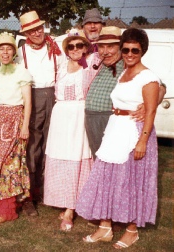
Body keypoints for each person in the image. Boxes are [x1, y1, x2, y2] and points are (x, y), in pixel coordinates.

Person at [76, 28, 160, 249]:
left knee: (133, 180)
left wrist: (142, 140)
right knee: (107, 177)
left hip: (135, 132)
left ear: (143, 51)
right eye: (126, 49)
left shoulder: (148, 76)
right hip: (116, 129)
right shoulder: (123, 72)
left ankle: (132, 231)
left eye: (135, 50)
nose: (130, 54)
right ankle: (105, 227)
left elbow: (151, 111)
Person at [43, 28, 100, 231]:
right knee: (61, 158)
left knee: (77, 158)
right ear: (67, 49)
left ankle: (71, 207)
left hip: (79, 116)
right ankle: (63, 199)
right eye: (72, 46)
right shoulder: (60, 65)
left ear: (86, 47)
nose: (76, 49)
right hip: (61, 117)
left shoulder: (92, 64)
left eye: (80, 45)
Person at [16, 10, 65, 215]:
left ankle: (48, 189)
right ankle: (28, 195)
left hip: (53, 95)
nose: (36, 33)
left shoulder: (55, 47)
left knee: (51, 144)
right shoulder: (21, 52)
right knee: (32, 145)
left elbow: (62, 73)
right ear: (26, 33)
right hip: (31, 97)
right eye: (31, 30)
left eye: (38, 28)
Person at [0, 32, 33, 223]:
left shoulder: (22, 72)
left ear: (14, 52)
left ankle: (6, 209)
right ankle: (10, 199)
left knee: (11, 164)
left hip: (15, 118)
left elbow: (28, 103)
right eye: (1, 49)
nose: (5, 53)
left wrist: (25, 126)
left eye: (8, 49)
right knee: (1, 162)